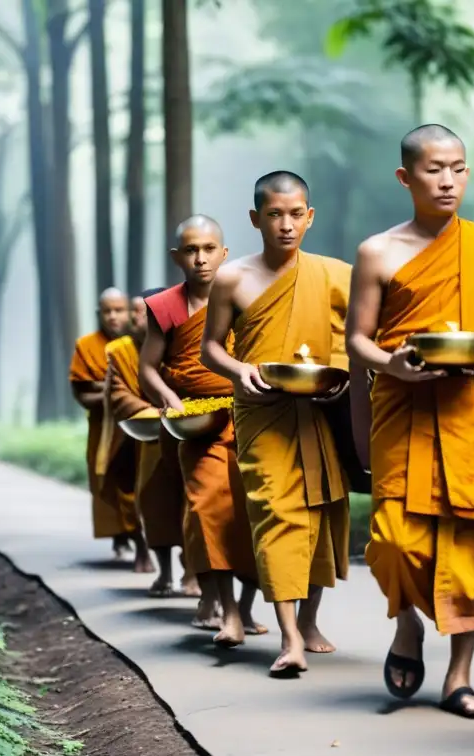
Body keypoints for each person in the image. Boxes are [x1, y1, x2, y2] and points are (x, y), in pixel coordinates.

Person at [345, 124, 474, 718]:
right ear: (407, 177)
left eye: (458, 167)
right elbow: (357, 339)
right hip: (405, 413)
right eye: (434, 169)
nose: (448, 180)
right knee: (394, 544)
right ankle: (406, 623)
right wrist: (394, 367)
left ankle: (459, 676)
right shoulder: (377, 251)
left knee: (472, 548)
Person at [202, 171, 353, 676]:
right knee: (276, 512)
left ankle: (308, 621)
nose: (285, 225)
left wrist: (343, 377)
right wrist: (239, 369)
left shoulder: (335, 275)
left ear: (310, 216)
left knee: (320, 509)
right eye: (274, 215)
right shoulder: (233, 278)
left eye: (295, 214)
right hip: (262, 411)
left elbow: (358, 338)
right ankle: (289, 638)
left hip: (319, 410)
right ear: (255, 219)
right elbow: (211, 349)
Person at [140, 215, 266, 645]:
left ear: (224, 253)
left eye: (209, 249)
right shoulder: (165, 307)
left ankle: (246, 608)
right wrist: (171, 401)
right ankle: (222, 607)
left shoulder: (242, 295)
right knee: (206, 506)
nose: (200, 259)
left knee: (251, 511)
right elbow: (147, 370)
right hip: (195, 422)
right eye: (191, 250)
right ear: (177, 257)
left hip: (247, 414)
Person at [70, 288, 142, 561]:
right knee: (105, 481)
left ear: (129, 312)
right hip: (103, 429)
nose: (113, 316)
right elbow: (81, 392)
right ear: (99, 314)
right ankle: (120, 538)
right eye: (107, 311)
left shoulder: (142, 342)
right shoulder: (86, 346)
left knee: (139, 482)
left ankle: (142, 540)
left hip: (137, 425)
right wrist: (114, 393)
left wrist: (112, 389)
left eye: (119, 310)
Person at [97, 293, 158, 575]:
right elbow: (117, 394)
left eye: (141, 312)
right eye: (132, 313)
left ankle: (188, 567)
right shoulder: (119, 351)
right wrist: (150, 411)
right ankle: (140, 546)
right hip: (132, 434)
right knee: (128, 492)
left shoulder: (174, 345)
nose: (134, 319)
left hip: (172, 432)